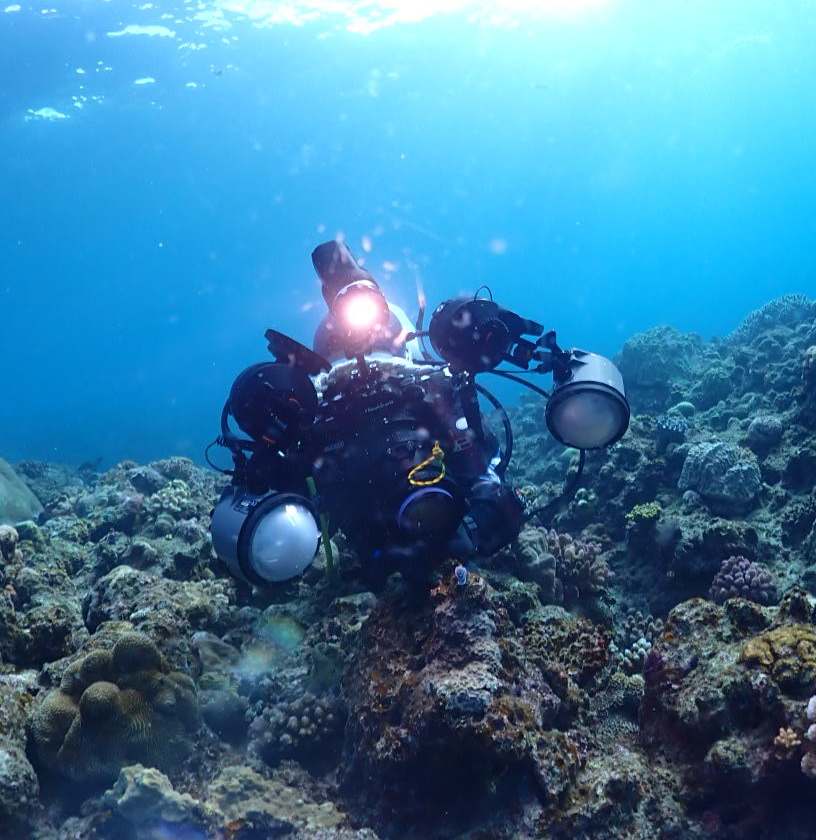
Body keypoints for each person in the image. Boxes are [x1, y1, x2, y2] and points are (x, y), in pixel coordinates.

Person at [208, 239, 630, 587]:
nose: (365, 354)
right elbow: (281, 512)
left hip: (427, 543)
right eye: (346, 343)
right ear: (325, 356)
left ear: (405, 342)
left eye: (377, 334)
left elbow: (489, 482)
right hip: (375, 557)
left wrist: (475, 525)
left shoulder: (436, 394)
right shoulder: (323, 424)